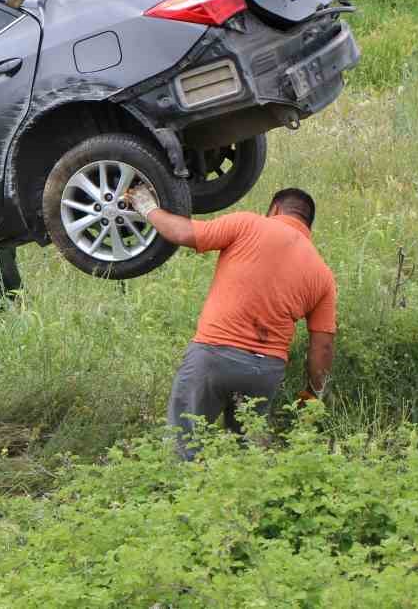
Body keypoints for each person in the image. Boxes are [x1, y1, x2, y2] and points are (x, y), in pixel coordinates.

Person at [127, 184, 336, 458]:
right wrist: (314, 391)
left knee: (184, 446)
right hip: (265, 372)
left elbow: (182, 233)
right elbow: (322, 348)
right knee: (243, 456)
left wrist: (147, 207)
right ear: (308, 224)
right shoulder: (322, 273)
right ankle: (237, 499)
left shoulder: (249, 224)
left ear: (274, 209)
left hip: (214, 356)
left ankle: (182, 494)